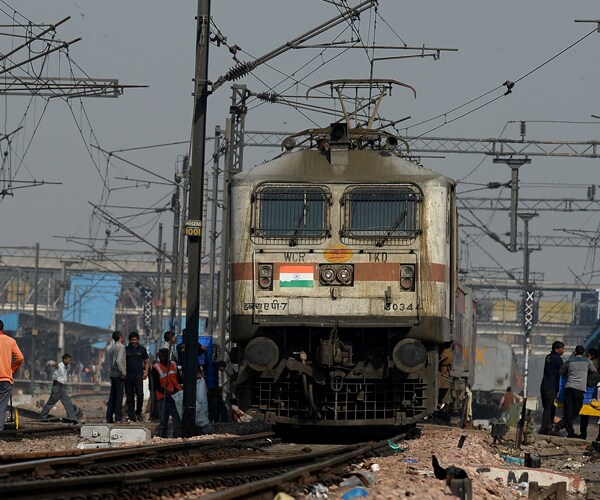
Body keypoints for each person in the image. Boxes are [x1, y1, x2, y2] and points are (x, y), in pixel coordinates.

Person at [553, 345, 597, 438]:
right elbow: (594, 370)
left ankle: (561, 427)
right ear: (584, 353)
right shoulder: (587, 361)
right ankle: (569, 432)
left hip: (569, 387)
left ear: (575, 352)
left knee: (569, 410)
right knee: (576, 410)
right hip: (580, 389)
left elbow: (561, 371)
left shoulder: (570, 361)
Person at [152, 348, 182, 438]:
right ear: (159, 357)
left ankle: (177, 438)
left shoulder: (173, 364)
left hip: (175, 397)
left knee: (177, 420)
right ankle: (162, 438)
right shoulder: (156, 368)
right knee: (163, 422)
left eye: (165, 356)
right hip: (163, 398)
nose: (163, 358)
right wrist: (168, 392)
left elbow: (179, 379)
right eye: (161, 356)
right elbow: (156, 385)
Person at [39, 353, 78, 422]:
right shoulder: (59, 367)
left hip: (61, 389)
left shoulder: (64, 366)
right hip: (57, 388)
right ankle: (42, 417)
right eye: (68, 360)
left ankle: (73, 419)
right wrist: (57, 386)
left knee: (68, 403)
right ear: (64, 360)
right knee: (50, 404)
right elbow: (54, 377)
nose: (69, 362)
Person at [0, 320, 24, 431]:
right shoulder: (10, 341)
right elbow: (20, 358)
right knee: (2, 405)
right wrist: (12, 370)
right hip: (5, 378)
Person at [539, 341, 565, 435]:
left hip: (545, 385)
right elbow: (563, 370)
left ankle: (548, 427)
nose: (563, 351)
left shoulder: (548, 357)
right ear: (556, 349)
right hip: (551, 386)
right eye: (562, 349)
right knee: (549, 408)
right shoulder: (557, 359)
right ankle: (544, 428)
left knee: (548, 407)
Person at [124, 331, 149, 422]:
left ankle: (138, 412)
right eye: (132, 340)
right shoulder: (126, 350)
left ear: (138, 339)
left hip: (138, 376)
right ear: (129, 340)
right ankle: (131, 415)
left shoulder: (142, 349)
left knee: (140, 395)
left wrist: (146, 372)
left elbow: (146, 362)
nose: (133, 341)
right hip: (128, 377)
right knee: (130, 397)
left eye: (135, 339)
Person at [578, 348, 600, 439]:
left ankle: (583, 433)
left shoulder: (592, 363)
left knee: (584, 413)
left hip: (590, 390)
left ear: (591, 355)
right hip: (593, 391)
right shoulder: (594, 362)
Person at [106, 330, 126, 423]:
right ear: (121, 337)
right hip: (118, 374)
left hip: (112, 374)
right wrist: (123, 372)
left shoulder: (112, 348)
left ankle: (109, 417)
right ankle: (118, 417)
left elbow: (111, 362)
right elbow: (118, 361)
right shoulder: (121, 347)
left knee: (112, 396)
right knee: (119, 397)